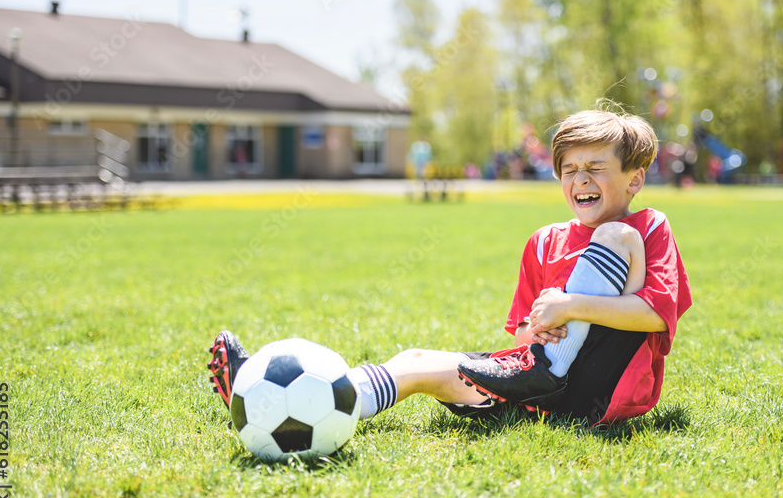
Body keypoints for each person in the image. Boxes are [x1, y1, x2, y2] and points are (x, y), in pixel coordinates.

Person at [208, 108, 691, 427]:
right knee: (416, 363)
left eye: (597, 168)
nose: (581, 180)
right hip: (537, 390)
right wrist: (536, 332)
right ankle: (262, 395)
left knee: (615, 236)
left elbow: (654, 315)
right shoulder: (544, 241)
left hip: (596, 390)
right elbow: (523, 330)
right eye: (569, 170)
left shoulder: (645, 227)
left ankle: (550, 372)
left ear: (634, 179)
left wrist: (569, 305)